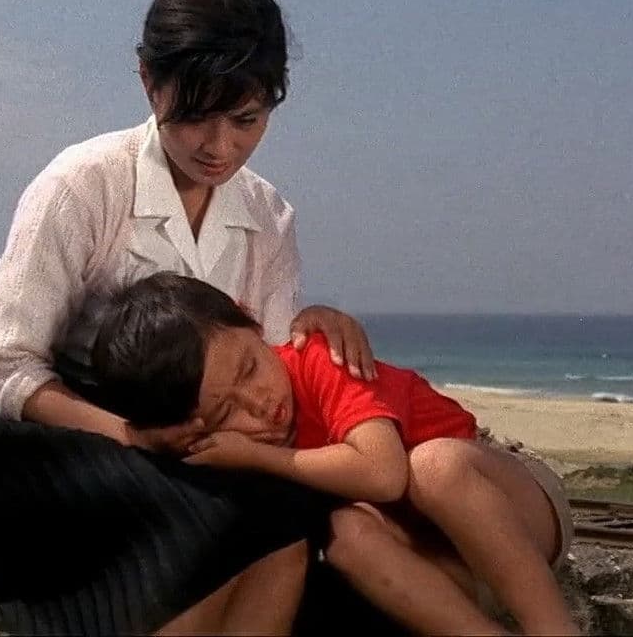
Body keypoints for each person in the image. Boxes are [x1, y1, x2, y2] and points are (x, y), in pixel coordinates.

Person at [0, 0, 380, 636]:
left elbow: (270, 363)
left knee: (289, 521)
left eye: (246, 120)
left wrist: (315, 331)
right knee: (229, 529)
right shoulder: (83, 185)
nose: (220, 146)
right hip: (52, 436)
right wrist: (132, 436)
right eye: (193, 116)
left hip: (180, 435)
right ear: (148, 82)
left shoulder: (268, 216)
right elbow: (6, 368)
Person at [91, 273, 580, 636]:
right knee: (346, 536)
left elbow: (384, 474)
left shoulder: (318, 358)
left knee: (432, 467)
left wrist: (257, 455)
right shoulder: (225, 449)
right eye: (226, 411)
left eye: (249, 369)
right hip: (446, 561)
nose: (258, 403)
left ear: (253, 320)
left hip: (511, 515)